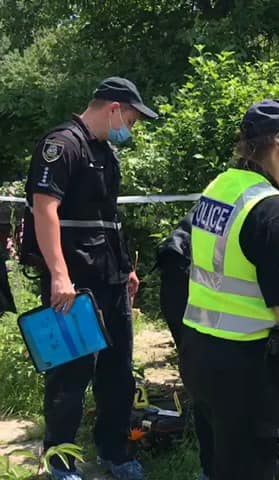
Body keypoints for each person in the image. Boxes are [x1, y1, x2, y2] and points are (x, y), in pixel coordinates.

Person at [178, 99, 279, 480]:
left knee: (219, 464)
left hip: (199, 350)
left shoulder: (220, 187)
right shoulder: (275, 212)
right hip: (246, 368)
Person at [22, 77, 158, 480]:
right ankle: (60, 461)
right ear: (114, 108)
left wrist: (126, 267)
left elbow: (108, 218)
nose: (129, 129)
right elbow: (44, 209)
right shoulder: (62, 145)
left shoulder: (105, 152)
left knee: (117, 371)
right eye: (130, 120)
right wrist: (58, 276)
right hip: (75, 286)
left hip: (110, 279)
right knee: (69, 376)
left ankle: (114, 452)